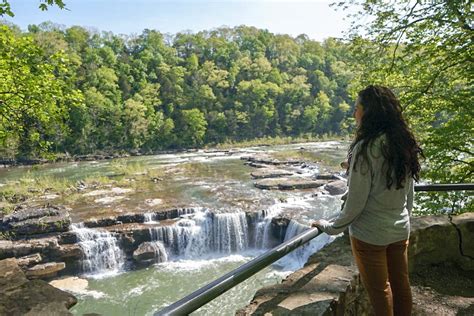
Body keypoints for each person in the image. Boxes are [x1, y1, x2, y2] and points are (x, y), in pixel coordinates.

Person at [312, 85, 423, 316]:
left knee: (379, 291)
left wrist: (330, 227)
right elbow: (408, 191)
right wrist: (404, 219)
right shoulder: (401, 143)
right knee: (401, 285)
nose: (354, 114)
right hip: (399, 228)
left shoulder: (365, 148)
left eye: (357, 108)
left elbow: (356, 203)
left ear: (369, 112)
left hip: (370, 235)